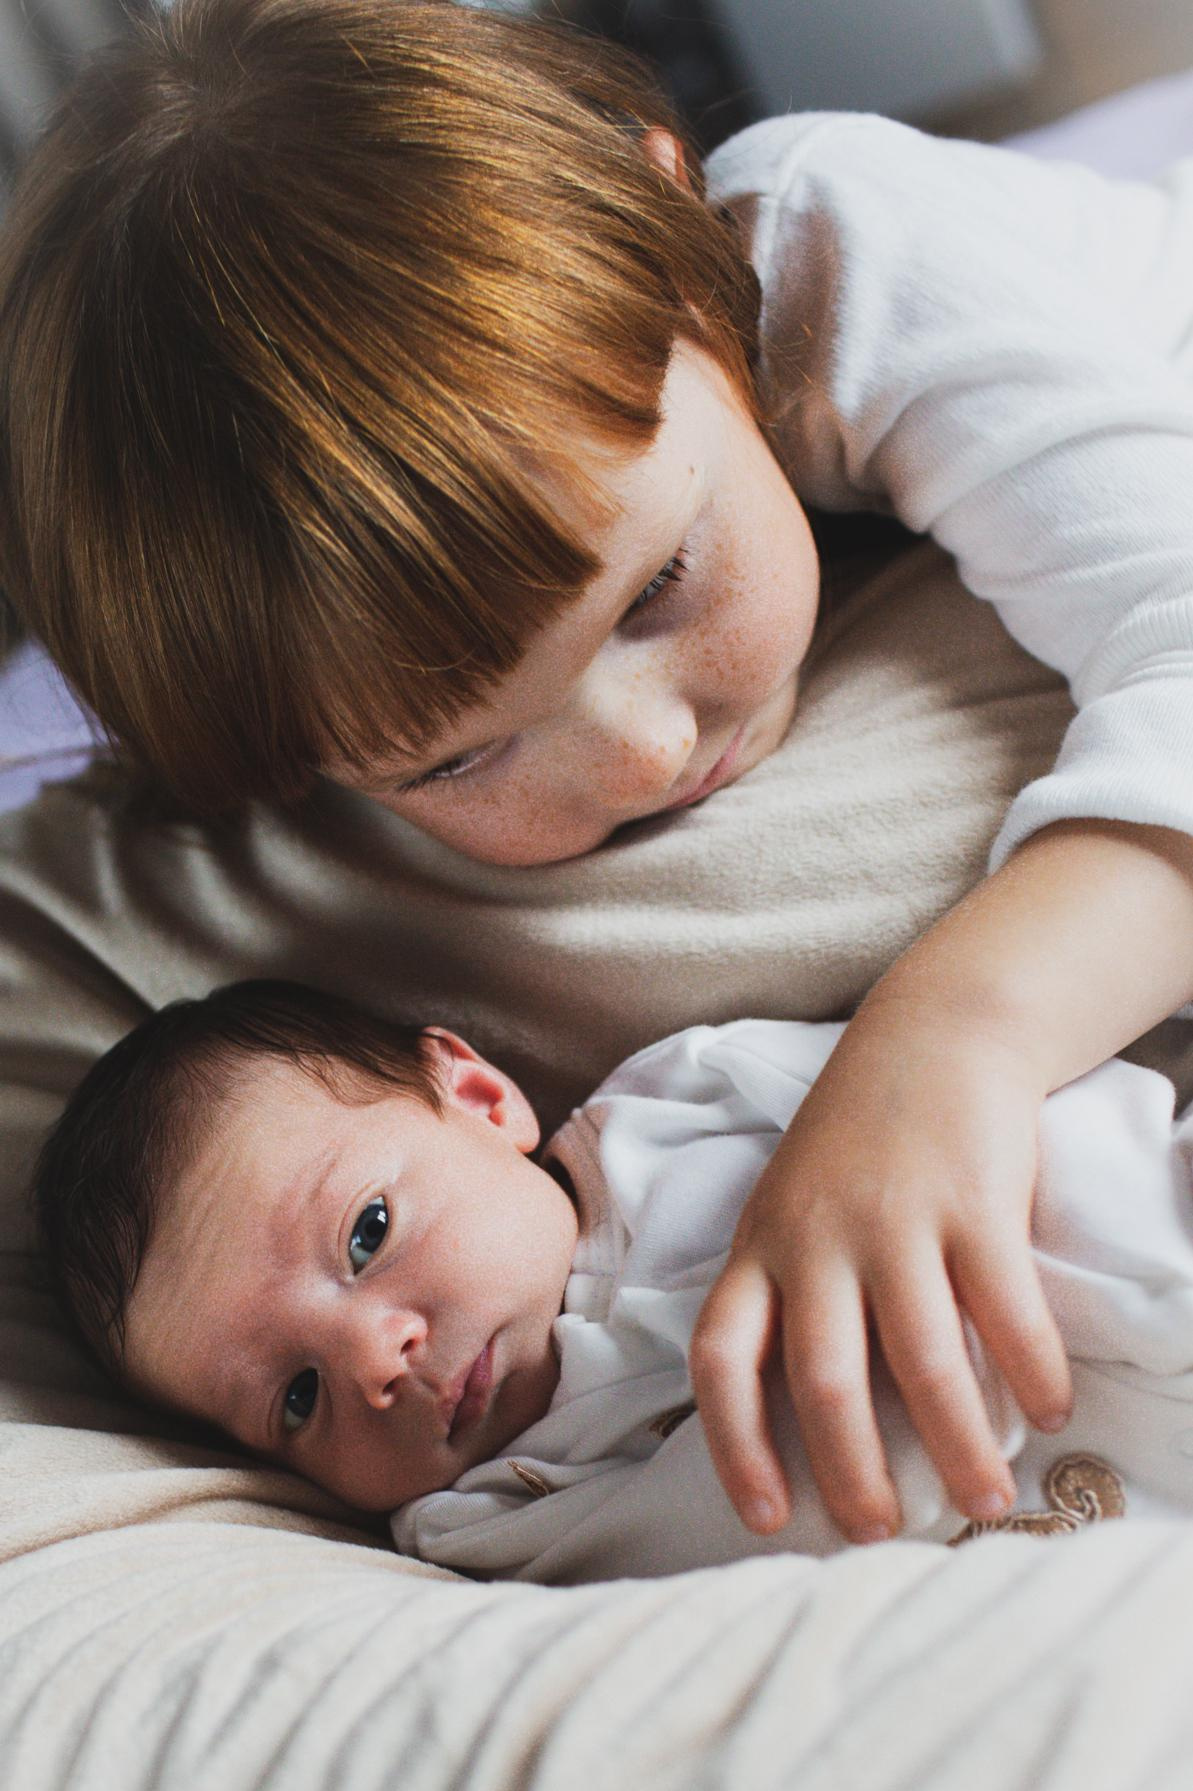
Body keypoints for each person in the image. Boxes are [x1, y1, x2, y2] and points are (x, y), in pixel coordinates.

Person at [1, 0, 1192, 1557]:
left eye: (653, 587)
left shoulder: (839, 241)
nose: (643, 748)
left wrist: (940, 1045)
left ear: (664, 219)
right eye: (462, 750)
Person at [31, 978, 1193, 1584]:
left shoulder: (693, 1092)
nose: (372, 1361)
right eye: (295, 1398)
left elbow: (977, 1117)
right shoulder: (481, 1522)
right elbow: (773, 1550)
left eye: (366, 1232)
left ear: (481, 1102)